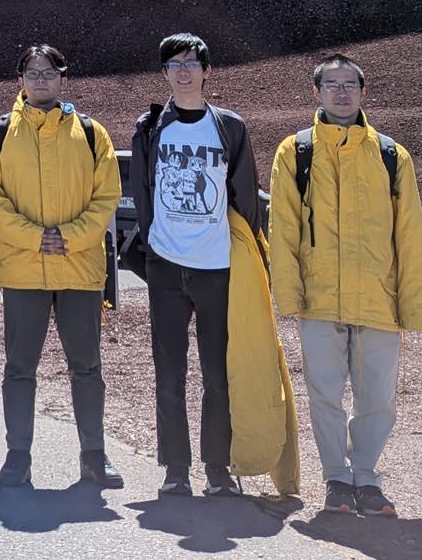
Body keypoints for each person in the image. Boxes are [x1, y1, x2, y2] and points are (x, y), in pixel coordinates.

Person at [269, 54, 422, 519]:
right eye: (331, 84)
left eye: (350, 84)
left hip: (378, 297)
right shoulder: (296, 151)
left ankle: (366, 476)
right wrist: (291, 294)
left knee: (377, 396)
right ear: (316, 93)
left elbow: (410, 234)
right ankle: (336, 479)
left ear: (363, 93)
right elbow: (282, 229)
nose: (341, 92)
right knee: (324, 393)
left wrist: (413, 302)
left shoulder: (390, 154)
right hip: (319, 298)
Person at [0, 45, 122, 489]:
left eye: (49, 72)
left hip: (79, 270)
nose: (41, 80)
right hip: (23, 269)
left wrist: (70, 237)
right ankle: (18, 457)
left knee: (87, 368)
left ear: (63, 79)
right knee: (19, 368)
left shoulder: (92, 133)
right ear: (20, 79)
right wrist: (37, 237)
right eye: (33, 72)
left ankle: (94, 456)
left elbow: (106, 195)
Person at [125, 32, 262, 499]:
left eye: (191, 63)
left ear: (207, 71)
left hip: (215, 266)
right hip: (165, 265)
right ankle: (176, 468)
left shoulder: (230, 127)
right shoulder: (149, 128)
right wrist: (155, 246)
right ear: (164, 74)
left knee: (217, 372)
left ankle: (218, 468)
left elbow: (245, 197)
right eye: (173, 64)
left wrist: (251, 259)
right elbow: (143, 196)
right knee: (169, 372)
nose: (183, 71)